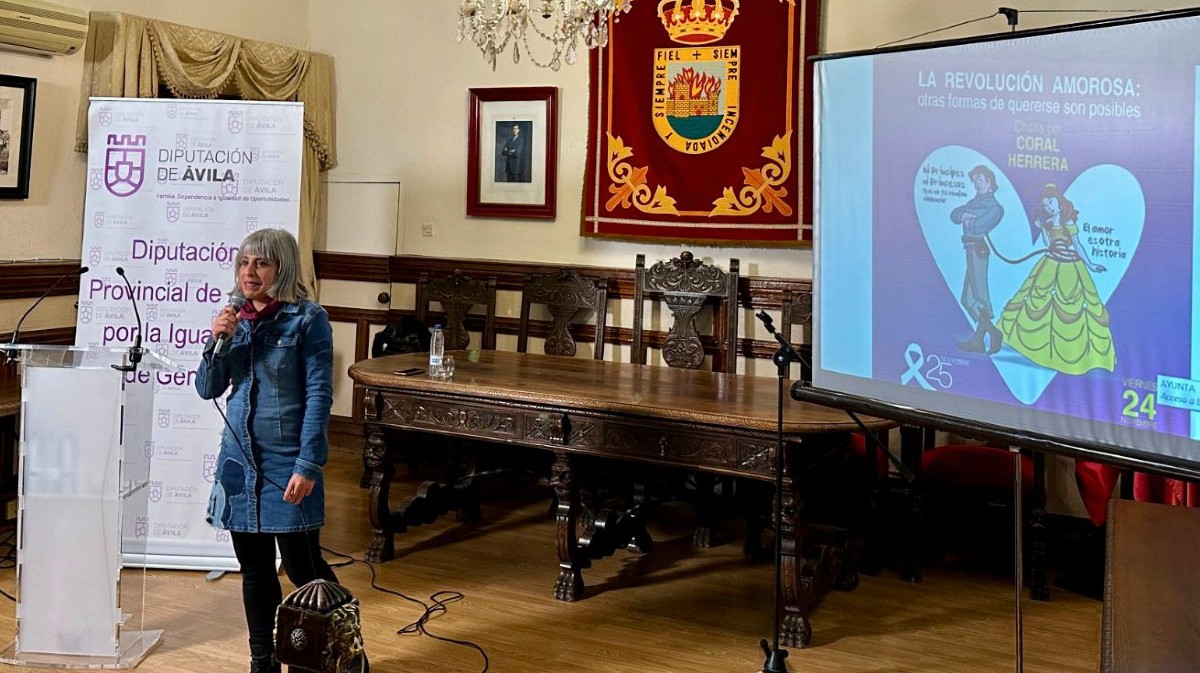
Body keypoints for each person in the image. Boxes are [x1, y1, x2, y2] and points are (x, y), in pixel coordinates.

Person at [195, 228, 339, 673]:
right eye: (244, 262)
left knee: (303, 568)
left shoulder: (308, 319)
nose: (249, 272)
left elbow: (319, 395)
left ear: (283, 268)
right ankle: (264, 661)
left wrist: (308, 464)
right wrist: (215, 341)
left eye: (261, 263)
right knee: (255, 570)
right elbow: (208, 388)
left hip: (287, 461)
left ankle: (341, 646)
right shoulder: (234, 319)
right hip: (239, 464)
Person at [997, 183, 1114, 374]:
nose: (1049, 207)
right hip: (1050, 262)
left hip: (1070, 266)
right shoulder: (1049, 223)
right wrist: (1042, 228)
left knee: (1073, 305)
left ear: (1060, 201)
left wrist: (1091, 265)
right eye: (1045, 205)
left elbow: (1077, 245)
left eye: (1051, 202)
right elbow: (1047, 243)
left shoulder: (1069, 223)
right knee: (1036, 299)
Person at [950, 164, 1005, 354]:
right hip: (970, 249)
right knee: (968, 298)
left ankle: (993, 333)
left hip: (978, 251)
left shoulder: (995, 207)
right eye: (974, 180)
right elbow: (954, 214)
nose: (976, 184)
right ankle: (980, 339)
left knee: (978, 295)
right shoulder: (974, 202)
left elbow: (977, 226)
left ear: (989, 182)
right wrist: (964, 215)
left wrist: (967, 218)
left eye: (980, 180)